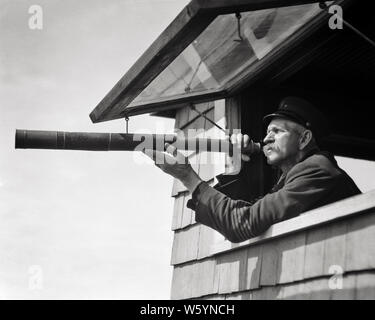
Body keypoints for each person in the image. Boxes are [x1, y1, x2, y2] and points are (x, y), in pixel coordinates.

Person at [144, 97, 361, 243]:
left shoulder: (316, 170)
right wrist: (244, 162)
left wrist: (187, 177)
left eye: (277, 131)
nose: (267, 138)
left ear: (304, 139)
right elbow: (245, 208)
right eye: (267, 132)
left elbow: (243, 222)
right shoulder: (290, 175)